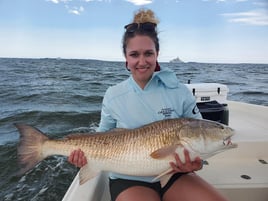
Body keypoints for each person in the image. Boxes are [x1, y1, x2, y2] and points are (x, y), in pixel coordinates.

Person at [68, 9, 228, 201]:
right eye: (134, 54)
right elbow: (102, 137)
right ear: (126, 57)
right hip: (128, 178)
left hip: (175, 173)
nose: (142, 61)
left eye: (148, 54)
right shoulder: (113, 95)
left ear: (157, 54)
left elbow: (199, 137)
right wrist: (84, 157)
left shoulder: (180, 91)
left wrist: (196, 164)